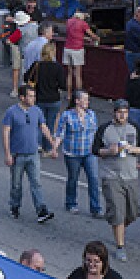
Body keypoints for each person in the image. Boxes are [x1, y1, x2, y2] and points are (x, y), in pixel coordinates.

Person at [97, 100, 140, 262]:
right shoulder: (105, 129)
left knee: (133, 212)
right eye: (119, 112)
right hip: (111, 176)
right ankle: (120, 246)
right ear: (114, 112)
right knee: (117, 211)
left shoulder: (134, 128)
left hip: (131, 176)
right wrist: (109, 151)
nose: (122, 115)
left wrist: (131, 149)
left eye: (125, 112)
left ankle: (120, 228)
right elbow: (96, 150)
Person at [2, 85, 57, 223]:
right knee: (16, 184)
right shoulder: (11, 112)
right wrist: (7, 154)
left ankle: (41, 210)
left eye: (34, 96)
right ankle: (15, 206)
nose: (33, 99)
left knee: (36, 183)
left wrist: (52, 144)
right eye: (30, 96)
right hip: (17, 154)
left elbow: (43, 127)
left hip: (33, 153)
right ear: (22, 97)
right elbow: (6, 132)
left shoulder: (37, 111)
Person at [56, 90, 102, 219]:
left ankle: (96, 208)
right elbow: (60, 133)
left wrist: (100, 149)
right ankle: (71, 203)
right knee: (73, 178)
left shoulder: (91, 114)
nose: (88, 102)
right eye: (85, 99)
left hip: (89, 152)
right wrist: (54, 147)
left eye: (88, 99)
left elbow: (96, 133)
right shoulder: (67, 115)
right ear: (77, 101)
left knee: (93, 178)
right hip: (72, 153)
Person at [26, 44, 66, 134]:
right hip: (54, 99)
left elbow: (26, 78)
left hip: (39, 98)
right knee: (51, 124)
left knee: (39, 123)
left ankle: (38, 145)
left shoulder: (36, 65)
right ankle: (48, 146)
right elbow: (63, 85)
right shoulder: (58, 67)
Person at [63, 11, 100, 98]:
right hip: (77, 49)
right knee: (78, 74)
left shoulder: (69, 21)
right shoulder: (83, 24)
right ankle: (78, 96)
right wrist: (97, 38)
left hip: (67, 48)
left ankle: (68, 94)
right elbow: (92, 35)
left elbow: (74, 34)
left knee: (69, 73)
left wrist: (85, 38)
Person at [125, 6, 140, 74]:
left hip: (130, 53)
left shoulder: (129, 23)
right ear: (139, 14)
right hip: (136, 55)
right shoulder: (137, 27)